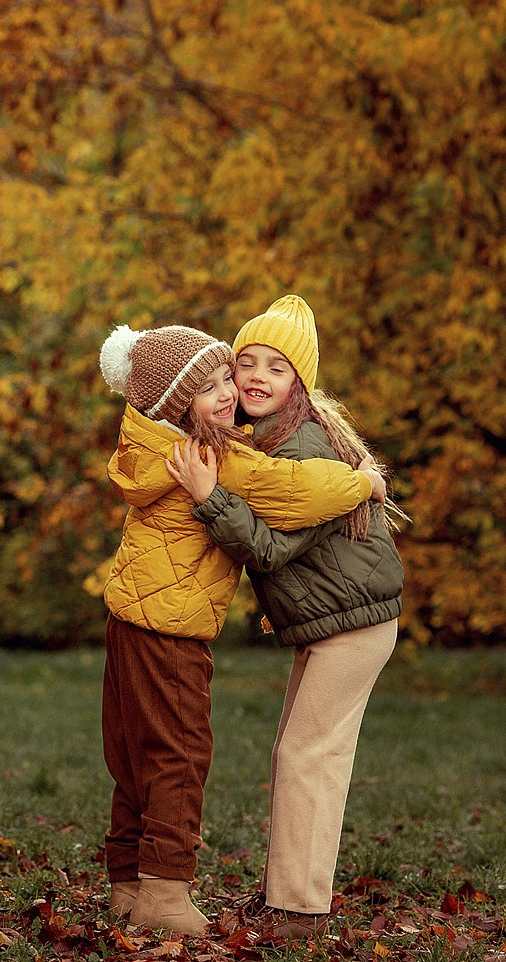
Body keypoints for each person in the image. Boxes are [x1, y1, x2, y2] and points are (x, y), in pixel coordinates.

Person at [95, 323, 385, 935]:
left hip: (130, 617)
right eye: (214, 383)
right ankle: (164, 895)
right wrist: (364, 481)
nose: (233, 389)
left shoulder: (149, 441)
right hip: (172, 626)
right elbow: (292, 492)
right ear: (180, 403)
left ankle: (130, 883)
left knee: (134, 753)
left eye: (230, 375)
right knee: (176, 755)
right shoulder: (216, 457)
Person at [169, 294, 405, 943]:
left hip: (354, 625)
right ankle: (289, 895)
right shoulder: (269, 438)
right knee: (301, 753)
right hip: (333, 620)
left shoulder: (302, 449)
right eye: (246, 362)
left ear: (299, 381)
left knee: (308, 754)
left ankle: (298, 912)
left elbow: (270, 549)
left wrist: (209, 497)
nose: (256, 377)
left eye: (276, 368)